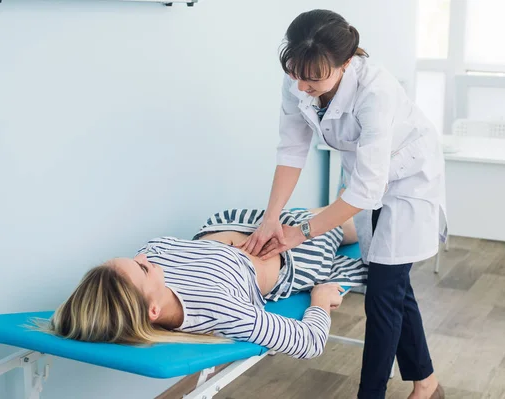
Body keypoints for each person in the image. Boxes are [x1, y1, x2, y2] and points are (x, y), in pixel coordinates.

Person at [238, 9, 447, 399]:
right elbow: (291, 150)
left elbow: (367, 189)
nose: (302, 86)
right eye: (295, 74)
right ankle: (428, 384)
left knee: (384, 293)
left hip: (408, 178)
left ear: (346, 63)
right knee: (393, 284)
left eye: (313, 78)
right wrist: (270, 219)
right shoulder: (300, 80)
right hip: (368, 177)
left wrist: (298, 234)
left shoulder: (376, 92)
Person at [38, 207, 367, 359]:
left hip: (231, 223)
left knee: (330, 210)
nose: (143, 257)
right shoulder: (217, 309)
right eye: (141, 268)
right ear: (153, 310)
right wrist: (321, 300)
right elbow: (308, 342)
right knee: (342, 220)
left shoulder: (144, 277)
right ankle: (376, 210)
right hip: (293, 256)